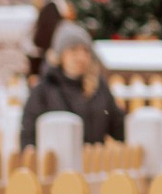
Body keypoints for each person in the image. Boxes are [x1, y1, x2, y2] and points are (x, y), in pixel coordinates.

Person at [18, 23, 126, 152]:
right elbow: (29, 133)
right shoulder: (44, 89)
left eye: (85, 51)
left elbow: (118, 127)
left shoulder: (98, 87)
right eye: (73, 50)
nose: (80, 57)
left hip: (93, 164)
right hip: (56, 167)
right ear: (60, 55)